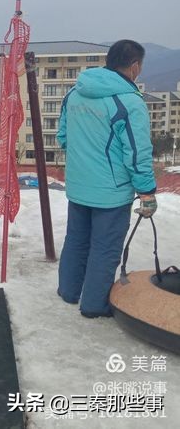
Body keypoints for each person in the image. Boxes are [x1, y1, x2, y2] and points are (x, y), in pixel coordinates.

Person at [57, 39, 157, 318]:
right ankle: (93, 305)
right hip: (111, 193)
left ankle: (68, 292)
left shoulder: (74, 94)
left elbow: (63, 136)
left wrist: (85, 163)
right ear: (135, 66)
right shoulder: (129, 102)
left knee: (76, 240)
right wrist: (147, 191)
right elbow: (137, 153)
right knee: (105, 248)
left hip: (77, 186)